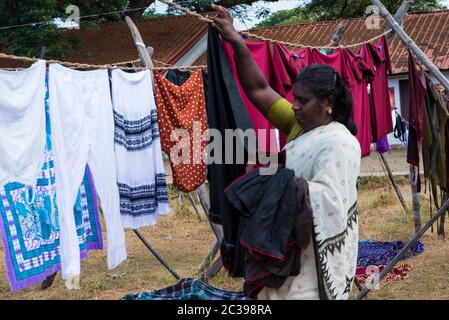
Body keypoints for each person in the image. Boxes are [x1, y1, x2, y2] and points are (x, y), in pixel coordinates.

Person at [209, 4, 361, 300]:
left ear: (327, 103)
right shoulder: (299, 124)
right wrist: (237, 41)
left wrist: (274, 175)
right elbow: (259, 89)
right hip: (283, 255)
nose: (294, 105)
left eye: (302, 101)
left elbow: (330, 204)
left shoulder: (338, 143)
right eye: (294, 99)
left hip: (311, 262)